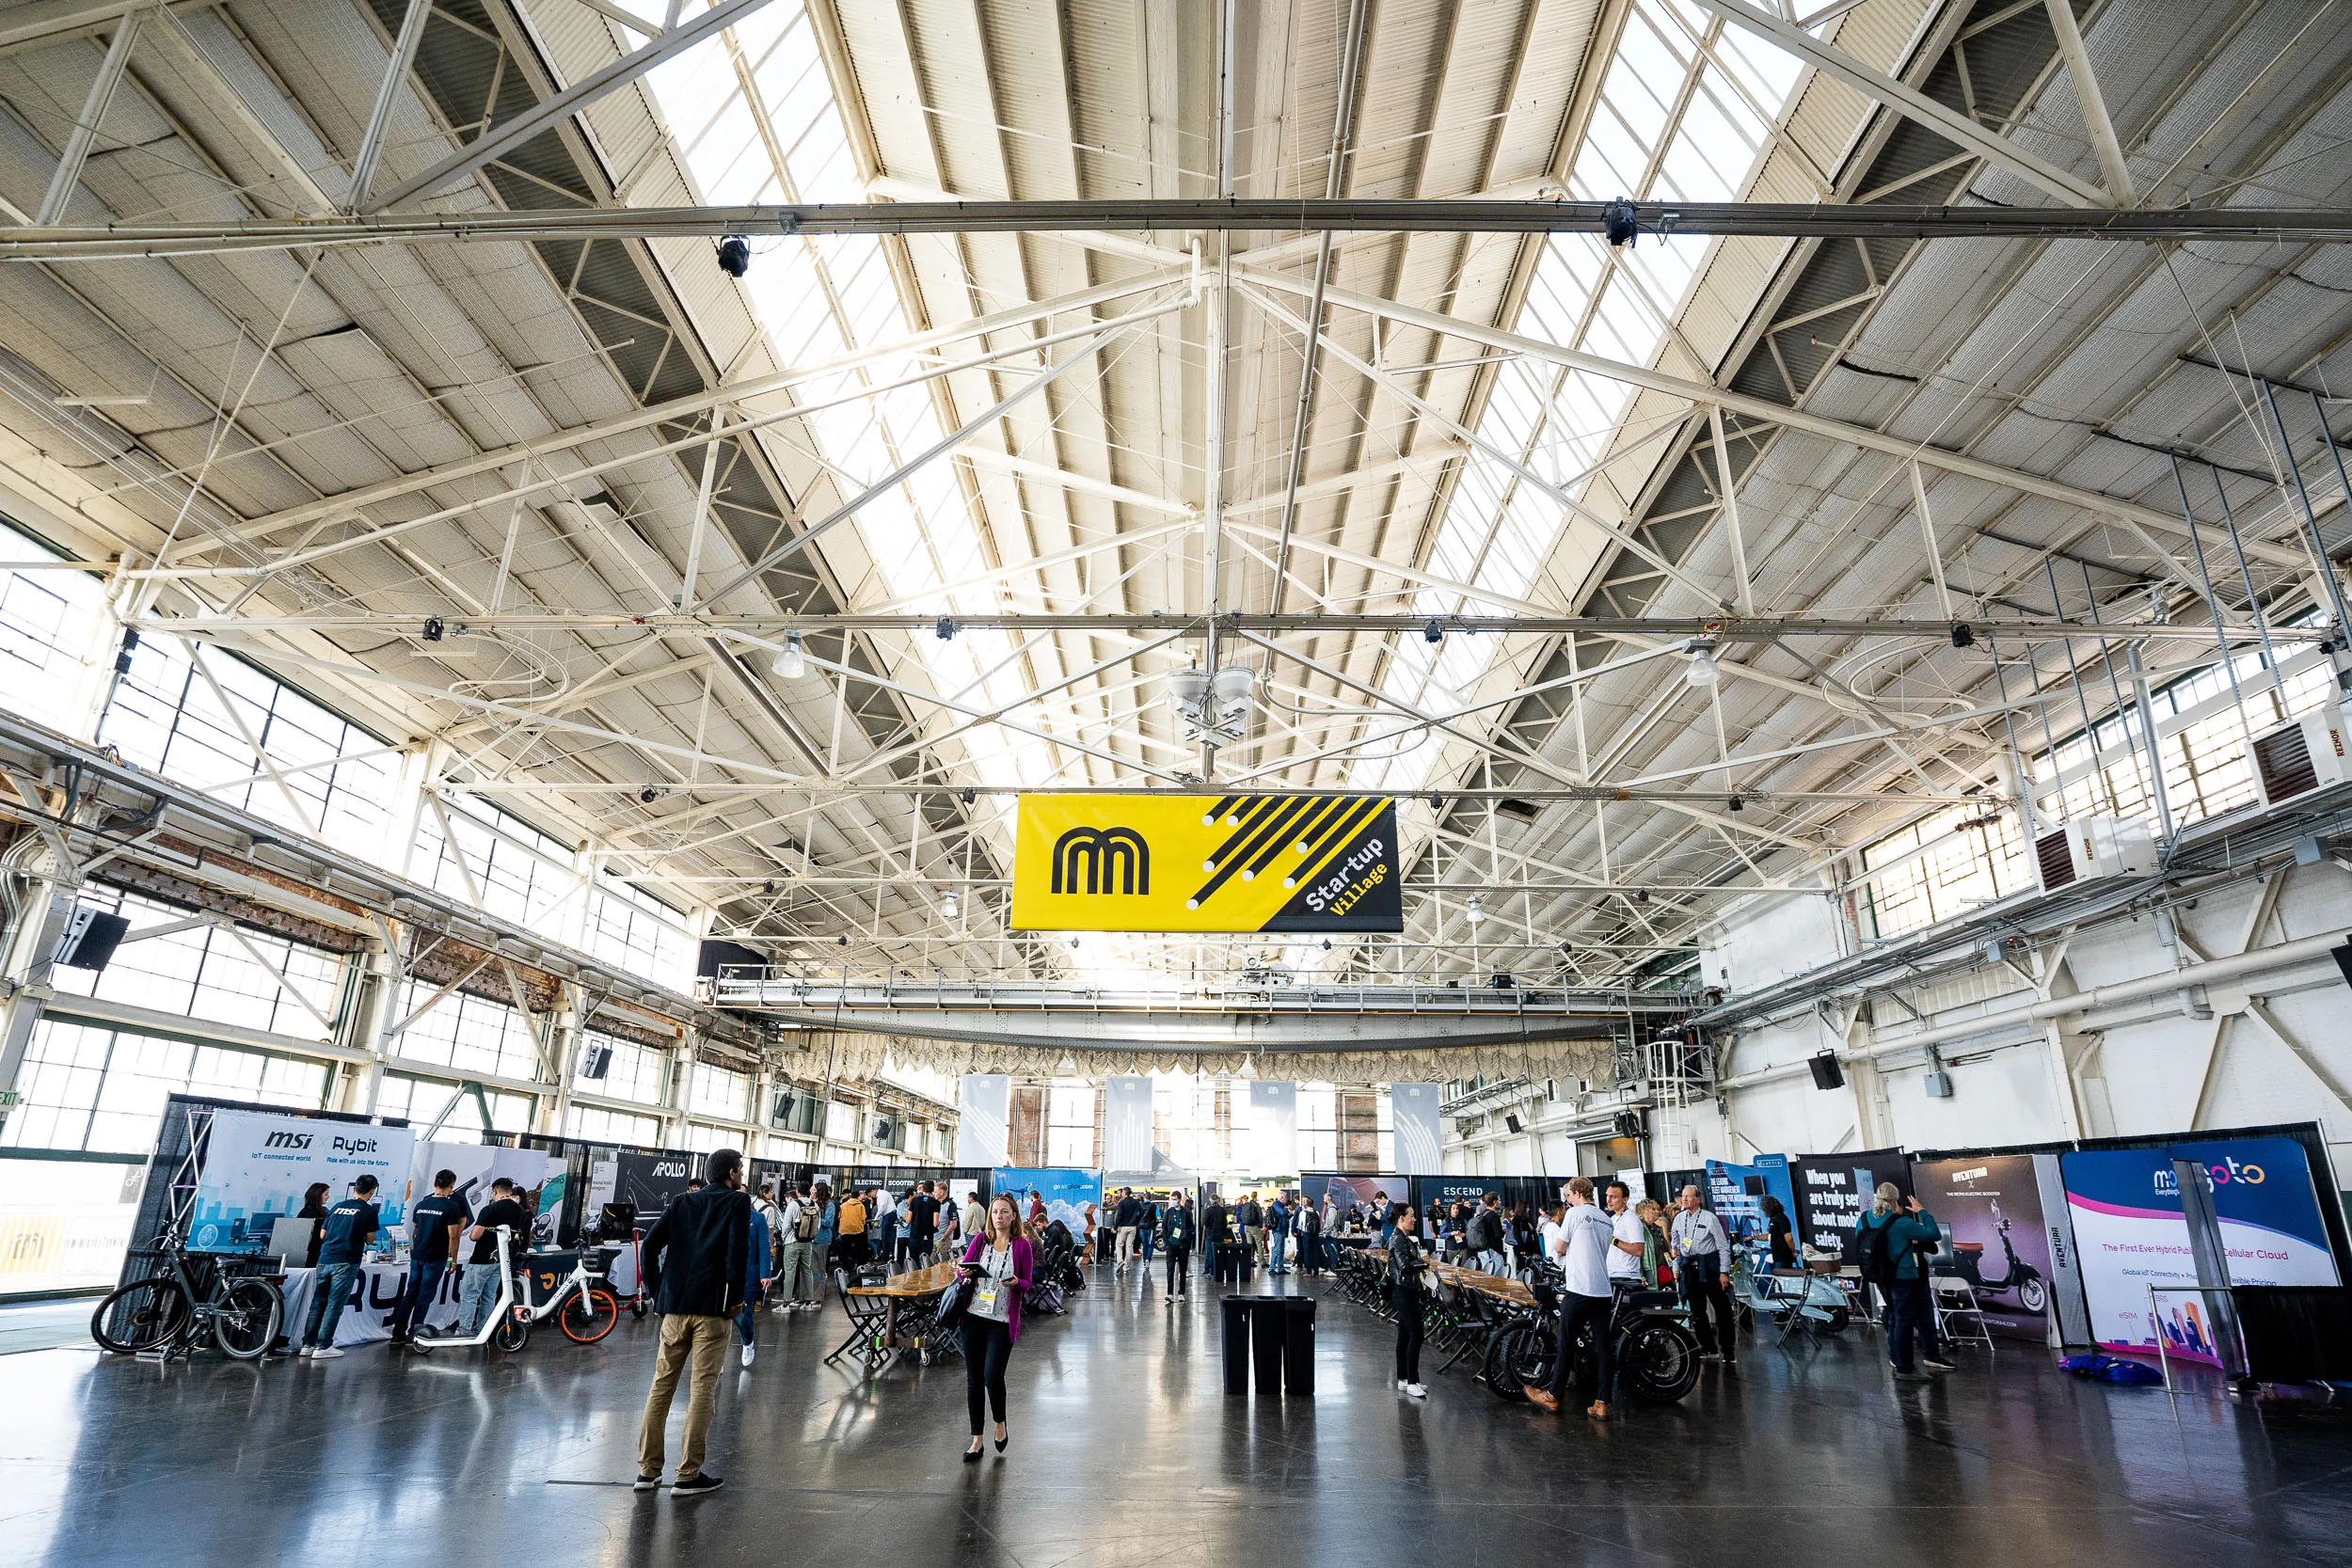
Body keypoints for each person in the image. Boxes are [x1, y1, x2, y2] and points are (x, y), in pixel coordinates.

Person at [635, 1148, 754, 1497]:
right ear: (732, 1173)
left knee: (661, 1386)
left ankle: (647, 1471)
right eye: (741, 1170)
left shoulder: (681, 1202)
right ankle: (688, 1473)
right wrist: (735, 1300)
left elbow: (650, 1246)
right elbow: (737, 1253)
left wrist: (659, 1292)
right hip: (713, 1310)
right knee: (702, 1389)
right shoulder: (736, 1202)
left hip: (675, 1309)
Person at [1527, 1177, 1615, 1418]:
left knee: (1565, 1342)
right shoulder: (1606, 1219)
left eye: (1568, 1196)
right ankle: (1602, 1403)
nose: (1566, 1200)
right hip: (1602, 1289)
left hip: (1579, 1288)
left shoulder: (1575, 1214)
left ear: (1577, 1193)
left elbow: (1559, 1248)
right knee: (1603, 1347)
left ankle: (1553, 1395)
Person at [958, 1194, 1035, 1461]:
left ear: (1013, 1216)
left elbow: (1028, 1282)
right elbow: (962, 1269)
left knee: (992, 1377)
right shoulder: (981, 1241)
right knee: (974, 1380)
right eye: (995, 1212)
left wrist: (1016, 1282)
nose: (999, 1216)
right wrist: (964, 1273)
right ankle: (976, 1440)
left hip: (1002, 1321)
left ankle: (1000, 1423)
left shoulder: (1022, 1246)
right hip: (974, 1316)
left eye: (1004, 1212)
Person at [1856, 1183, 1953, 1382]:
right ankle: (1905, 1367)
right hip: (1904, 1277)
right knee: (1903, 1321)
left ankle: (1897, 1359)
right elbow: (1934, 1234)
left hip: (1881, 1277)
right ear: (1896, 1200)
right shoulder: (1901, 1223)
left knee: (1894, 1317)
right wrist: (1922, 1211)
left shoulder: (1864, 1219)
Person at [298, 1175, 381, 1359]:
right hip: (346, 1260)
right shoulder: (368, 1211)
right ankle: (323, 1345)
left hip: (325, 1258)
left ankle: (307, 1344)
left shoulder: (337, 1207)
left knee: (318, 1303)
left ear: (354, 1189)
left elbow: (322, 1234)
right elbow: (370, 1239)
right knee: (334, 1304)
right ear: (371, 1191)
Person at [389, 1168, 467, 1348]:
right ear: (452, 1186)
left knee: (411, 1293)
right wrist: (453, 1260)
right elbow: (453, 1236)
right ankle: (415, 1334)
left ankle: (397, 1333)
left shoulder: (421, 1204)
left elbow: (416, 1230)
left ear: (434, 1184)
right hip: (436, 1257)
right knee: (425, 1295)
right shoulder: (451, 1207)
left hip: (418, 1255)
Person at [1671, 1185, 1737, 1368]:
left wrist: (1724, 1272)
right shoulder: (1679, 1219)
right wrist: (1676, 1268)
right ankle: (1708, 1347)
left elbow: (1723, 1247)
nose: (1684, 1200)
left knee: (1722, 1309)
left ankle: (1728, 1350)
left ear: (1698, 1199)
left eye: (1688, 1197)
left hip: (1709, 1267)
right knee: (1697, 1312)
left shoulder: (1709, 1218)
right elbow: (1675, 1246)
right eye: (1683, 1196)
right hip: (1689, 1269)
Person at [459, 1176, 529, 1337]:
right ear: (510, 1191)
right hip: (502, 1260)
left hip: (482, 1258)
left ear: (495, 1191)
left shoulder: (490, 1209)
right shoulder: (519, 1210)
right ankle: (483, 1330)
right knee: (489, 1297)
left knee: (470, 1295)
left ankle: (463, 1331)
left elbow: (475, 1236)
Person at [1388, 1203, 1430, 1398]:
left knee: (1404, 1336)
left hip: (1408, 1290)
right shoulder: (1397, 1240)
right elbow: (1404, 1265)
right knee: (1416, 1335)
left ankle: (1403, 1379)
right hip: (1403, 1291)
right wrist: (1423, 1262)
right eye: (1411, 1216)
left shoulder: (1404, 1239)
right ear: (1401, 1218)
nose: (1414, 1219)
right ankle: (1413, 1381)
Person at [736, 1188, 774, 1367]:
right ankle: (716, 1357)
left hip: (749, 1274)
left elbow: (764, 1247)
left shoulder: (758, 1219)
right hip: (725, 1274)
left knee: (743, 1315)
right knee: (718, 1318)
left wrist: (765, 1274)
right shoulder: (724, 1216)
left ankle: (748, 1342)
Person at [775, 1185, 818, 1310]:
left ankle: (786, 1304)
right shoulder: (815, 1205)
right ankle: (808, 1302)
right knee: (807, 1270)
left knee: (790, 1272)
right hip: (808, 1243)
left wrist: (785, 1238)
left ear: (797, 1192)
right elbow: (817, 1226)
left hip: (792, 1242)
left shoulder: (793, 1205)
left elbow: (786, 1225)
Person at [1604, 1181, 1646, 1295]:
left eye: (1614, 1197)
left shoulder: (1630, 1219)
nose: (1609, 1200)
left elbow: (1638, 1250)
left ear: (1625, 1199)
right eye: (1607, 1196)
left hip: (1626, 1276)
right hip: (1612, 1274)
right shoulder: (1613, 1218)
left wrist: (1614, 1240)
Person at [1161, 1199, 1194, 1299]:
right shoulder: (1169, 1212)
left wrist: (1186, 1236)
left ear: (1179, 1200)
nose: (1173, 1201)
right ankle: (1170, 1293)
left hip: (1183, 1245)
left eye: (1175, 1199)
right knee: (1170, 1269)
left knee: (1183, 1269)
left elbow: (1191, 1227)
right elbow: (1164, 1226)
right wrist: (1167, 1242)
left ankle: (1181, 1293)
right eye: (1172, 1199)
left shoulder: (1186, 1213)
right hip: (1171, 1244)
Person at [1636, 1197, 1673, 1287]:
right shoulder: (1640, 1229)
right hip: (1651, 1272)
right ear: (1644, 1212)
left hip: (1664, 1270)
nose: (1657, 1212)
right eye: (1653, 1209)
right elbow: (1637, 1254)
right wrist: (1641, 1276)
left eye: (1657, 1209)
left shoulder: (1657, 1228)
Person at [904, 1180, 940, 1270]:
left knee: (914, 1262)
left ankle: (913, 1281)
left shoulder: (914, 1201)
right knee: (925, 1263)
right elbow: (935, 1223)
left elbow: (908, 1221)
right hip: (927, 1237)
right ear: (932, 1189)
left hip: (914, 1236)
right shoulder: (936, 1203)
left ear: (923, 1189)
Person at [834, 1185, 869, 1273]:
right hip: (857, 1230)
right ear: (858, 1196)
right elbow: (863, 1219)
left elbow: (839, 1216)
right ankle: (858, 1266)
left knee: (844, 1250)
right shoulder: (861, 1206)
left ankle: (845, 1267)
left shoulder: (843, 1205)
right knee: (859, 1250)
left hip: (845, 1230)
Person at [297, 1181, 332, 1269]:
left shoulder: (305, 1211)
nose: (328, 1197)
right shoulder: (310, 1213)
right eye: (326, 1194)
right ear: (317, 1195)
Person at [1470, 1193, 1506, 1275]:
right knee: (1498, 1276)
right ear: (1494, 1202)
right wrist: (1503, 1231)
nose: (1500, 1202)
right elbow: (1498, 1235)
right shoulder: (1493, 1216)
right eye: (1499, 1200)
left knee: (1487, 1274)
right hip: (1493, 1251)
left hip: (1482, 1250)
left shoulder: (1482, 1214)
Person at [1761, 1195, 1798, 1270]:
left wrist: (1793, 1252)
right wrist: (1754, 1237)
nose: (1763, 1211)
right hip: (1777, 1256)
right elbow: (1771, 1236)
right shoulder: (1773, 1219)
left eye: (1764, 1209)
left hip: (1784, 1257)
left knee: (1784, 1279)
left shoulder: (1781, 1219)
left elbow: (1789, 1237)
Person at [1113, 1186, 1141, 1275]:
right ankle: (1126, 1267)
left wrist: (1115, 1227)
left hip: (1123, 1226)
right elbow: (1141, 1212)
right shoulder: (1136, 1202)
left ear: (1124, 1193)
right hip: (1133, 1226)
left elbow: (1119, 1215)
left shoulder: (1122, 1203)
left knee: (1119, 1244)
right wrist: (1137, 1220)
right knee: (1129, 1247)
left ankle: (1120, 1261)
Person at [1267, 1193, 1293, 1275]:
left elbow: (1284, 1216)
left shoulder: (1279, 1205)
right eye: (1285, 1197)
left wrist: (1289, 1214)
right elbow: (1282, 1213)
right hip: (1278, 1230)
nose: (1286, 1199)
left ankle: (1280, 1268)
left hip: (1282, 1230)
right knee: (1277, 1249)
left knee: (1281, 1250)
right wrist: (1286, 1209)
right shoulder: (1276, 1205)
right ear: (1281, 1197)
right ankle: (1272, 1268)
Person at [1299, 1194, 1324, 1275]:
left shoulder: (1303, 1213)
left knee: (1307, 1252)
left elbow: (1300, 1225)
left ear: (1307, 1204)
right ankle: (1316, 1270)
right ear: (1313, 1204)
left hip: (1306, 1234)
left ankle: (1309, 1271)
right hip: (1315, 1234)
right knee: (1315, 1252)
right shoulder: (1316, 1212)